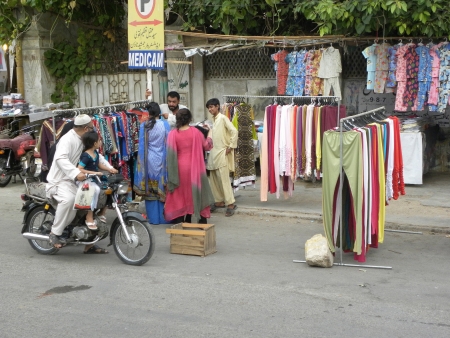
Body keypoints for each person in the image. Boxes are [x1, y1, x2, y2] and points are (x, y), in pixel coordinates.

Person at [45, 114, 116, 253]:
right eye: (91, 128)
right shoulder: (67, 140)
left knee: (94, 199)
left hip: (76, 179)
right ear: (85, 128)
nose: (93, 130)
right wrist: (75, 173)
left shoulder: (84, 139)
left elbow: (97, 156)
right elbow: (60, 159)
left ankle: (88, 242)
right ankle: (55, 233)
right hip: (60, 180)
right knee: (69, 200)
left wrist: (109, 167)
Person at [164, 108, 214, 224]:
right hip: (195, 169)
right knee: (196, 194)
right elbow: (207, 146)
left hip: (179, 170)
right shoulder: (196, 132)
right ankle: (201, 223)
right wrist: (210, 135)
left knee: (181, 196)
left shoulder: (172, 134)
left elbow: (170, 155)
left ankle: (183, 223)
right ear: (190, 119)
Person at [133, 102, 170, 225]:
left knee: (150, 190)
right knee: (162, 188)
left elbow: (142, 146)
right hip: (162, 161)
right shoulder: (165, 125)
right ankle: (163, 218)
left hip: (148, 161)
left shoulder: (144, 126)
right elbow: (168, 144)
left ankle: (154, 219)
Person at [77, 131, 118, 230]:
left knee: (110, 188)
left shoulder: (95, 153)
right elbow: (80, 169)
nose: (100, 142)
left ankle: (102, 212)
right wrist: (94, 173)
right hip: (87, 179)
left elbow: (98, 164)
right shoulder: (86, 156)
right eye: (99, 140)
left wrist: (109, 169)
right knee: (95, 190)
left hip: (95, 178)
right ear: (94, 143)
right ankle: (89, 216)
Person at [205, 98, 238, 217]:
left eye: (212, 107)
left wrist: (230, 146)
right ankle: (219, 201)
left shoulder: (223, 118)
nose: (210, 109)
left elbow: (234, 131)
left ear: (218, 106)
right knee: (213, 179)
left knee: (224, 179)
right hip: (213, 153)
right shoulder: (213, 121)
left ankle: (230, 204)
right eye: (209, 107)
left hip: (222, 152)